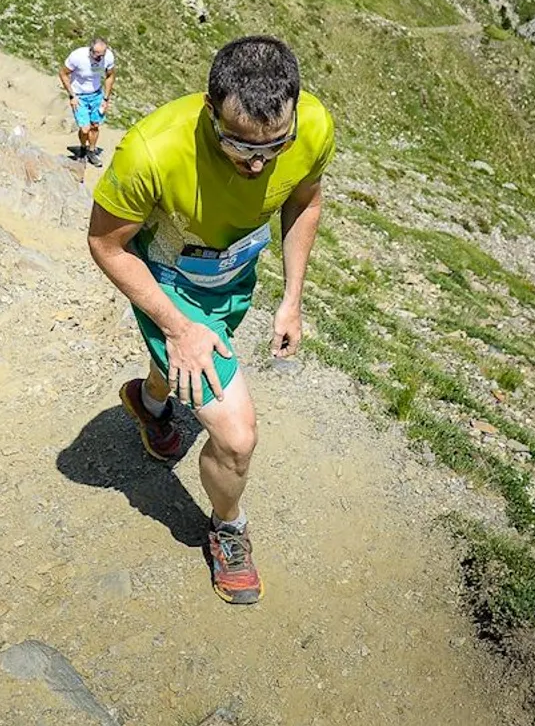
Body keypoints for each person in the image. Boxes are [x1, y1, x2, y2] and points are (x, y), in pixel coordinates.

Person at [86, 36, 334, 604]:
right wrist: (178, 327)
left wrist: (292, 296)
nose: (256, 163)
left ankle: (149, 402)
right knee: (235, 433)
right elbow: (105, 244)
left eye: (275, 146)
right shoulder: (151, 150)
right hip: (170, 284)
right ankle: (229, 529)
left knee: (188, 374)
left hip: (234, 279)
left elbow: (305, 201)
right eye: (238, 145)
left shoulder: (314, 125)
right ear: (208, 107)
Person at [59, 37, 116, 165]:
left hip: (96, 94)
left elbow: (110, 76)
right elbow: (63, 73)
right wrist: (72, 96)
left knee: (95, 125)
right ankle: (82, 148)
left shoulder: (108, 58)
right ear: (90, 50)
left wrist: (106, 98)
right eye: (97, 55)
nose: (99, 58)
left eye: (102, 55)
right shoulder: (77, 56)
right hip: (79, 95)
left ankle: (91, 151)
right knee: (85, 128)